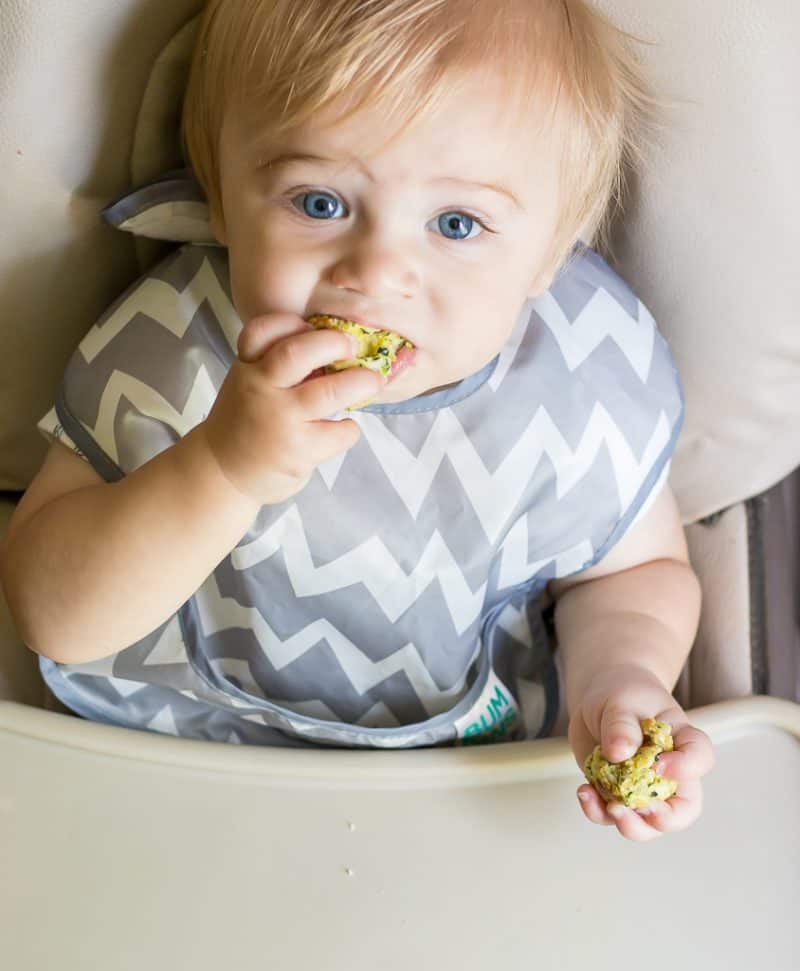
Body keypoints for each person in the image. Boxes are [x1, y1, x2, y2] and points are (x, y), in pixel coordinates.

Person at [0, 0, 713, 841]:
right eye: (319, 203)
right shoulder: (175, 353)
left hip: (457, 776)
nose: (375, 275)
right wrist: (220, 471)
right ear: (222, 201)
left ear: (549, 255)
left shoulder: (577, 384)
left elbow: (631, 577)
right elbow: (54, 614)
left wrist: (621, 680)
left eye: (457, 223)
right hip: (173, 753)